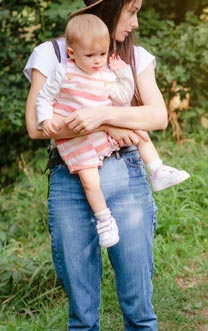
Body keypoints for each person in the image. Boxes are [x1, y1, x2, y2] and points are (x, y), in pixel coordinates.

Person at [24, 0, 168, 329]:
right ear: (109, 6)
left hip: (126, 173)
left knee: (139, 309)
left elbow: (158, 116)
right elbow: (35, 125)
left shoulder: (135, 57)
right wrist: (112, 125)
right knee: (82, 316)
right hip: (70, 177)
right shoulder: (53, 54)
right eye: (131, 11)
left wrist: (100, 116)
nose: (135, 22)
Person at [36, 14, 189, 248]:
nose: (98, 60)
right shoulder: (63, 72)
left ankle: (157, 170)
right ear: (72, 53)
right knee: (90, 181)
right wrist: (46, 118)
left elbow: (122, 97)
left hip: (105, 135)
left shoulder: (105, 72)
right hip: (78, 140)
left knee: (139, 132)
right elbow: (44, 98)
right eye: (90, 55)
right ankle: (104, 220)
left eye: (102, 54)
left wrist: (123, 74)